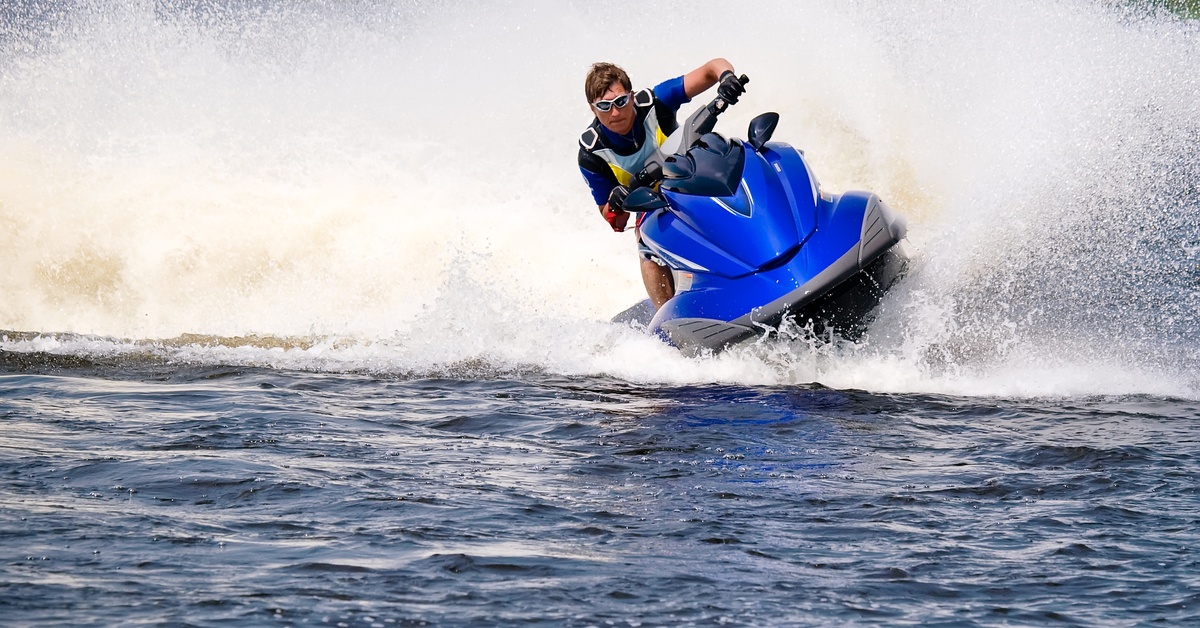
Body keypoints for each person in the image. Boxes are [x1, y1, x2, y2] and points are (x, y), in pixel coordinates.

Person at [578, 59, 745, 310]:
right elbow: (613, 218)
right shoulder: (592, 153)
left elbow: (714, 68)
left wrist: (727, 78)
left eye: (621, 102)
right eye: (604, 106)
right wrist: (615, 203)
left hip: (695, 181)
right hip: (655, 209)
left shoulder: (658, 101)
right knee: (645, 240)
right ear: (593, 110)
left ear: (632, 97)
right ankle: (667, 320)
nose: (615, 113)